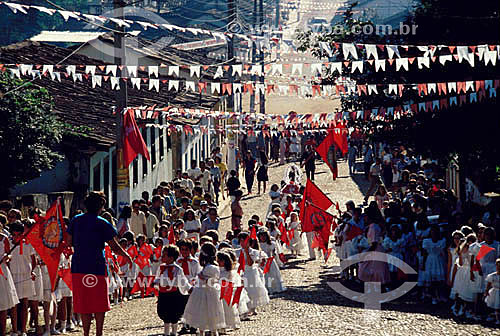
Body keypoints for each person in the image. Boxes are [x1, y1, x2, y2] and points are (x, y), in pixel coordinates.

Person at [67, 192, 132, 336]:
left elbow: (68, 242)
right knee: (99, 302)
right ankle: (99, 333)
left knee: (84, 302)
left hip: (79, 266)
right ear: (101, 206)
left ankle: (86, 333)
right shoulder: (102, 223)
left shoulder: (75, 220)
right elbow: (114, 246)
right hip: (96, 266)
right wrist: (127, 256)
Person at [183, 242, 226, 333]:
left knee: (206, 314)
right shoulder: (207, 267)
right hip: (204, 292)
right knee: (203, 315)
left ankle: (210, 332)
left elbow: (212, 281)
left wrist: (203, 279)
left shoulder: (210, 267)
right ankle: (206, 332)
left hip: (206, 293)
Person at [154, 245, 192, 336]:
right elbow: (158, 277)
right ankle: (166, 332)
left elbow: (183, 280)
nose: (162, 256)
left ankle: (174, 331)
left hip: (173, 294)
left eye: (164, 255)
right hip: (163, 294)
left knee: (174, 313)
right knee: (164, 312)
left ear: (171, 258)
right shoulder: (161, 267)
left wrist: (189, 288)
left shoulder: (177, 269)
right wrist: (155, 282)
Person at [9, 221, 37, 336]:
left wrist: (31, 271)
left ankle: (24, 330)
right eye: (14, 235)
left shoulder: (28, 244)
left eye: (18, 234)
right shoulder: (9, 245)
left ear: (22, 234)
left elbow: (33, 261)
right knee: (14, 304)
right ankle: (15, 330)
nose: (16, 237)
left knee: (25, 303)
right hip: (13, 275)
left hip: (25, 275)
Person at [0, 231, 19, 336]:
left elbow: (9, 255)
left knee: (3, 303)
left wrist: (6, 257)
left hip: (2, 272)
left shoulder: (4, 238)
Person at [484, 258, 500, 325]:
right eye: (497, 266)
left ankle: (497, 317)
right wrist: (486, 291)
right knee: (495, 305)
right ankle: (496, 318)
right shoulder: (493, 275)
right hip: (495, 291)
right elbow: (489, 284)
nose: (498, 268)